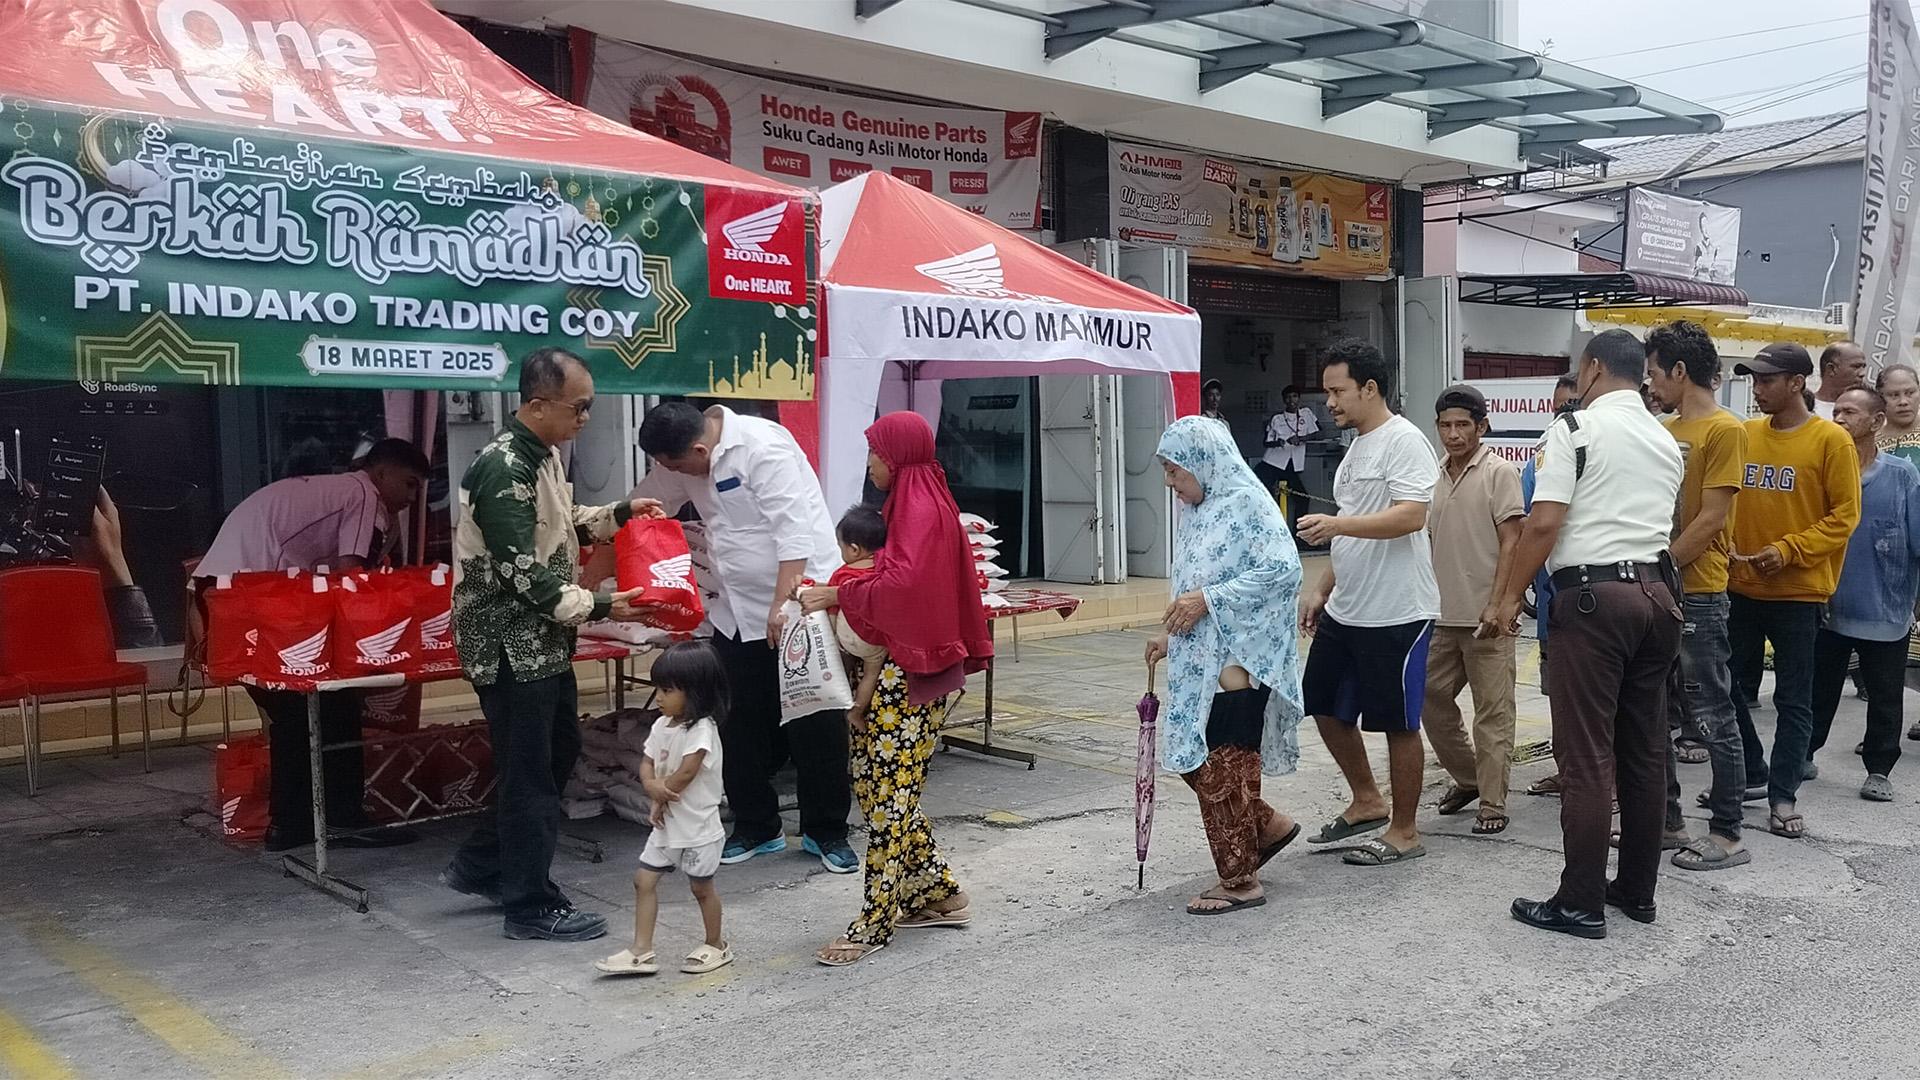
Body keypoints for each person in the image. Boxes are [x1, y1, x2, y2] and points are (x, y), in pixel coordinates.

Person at [442, 348, 658, 943]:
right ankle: (529, 905)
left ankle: (483, 864)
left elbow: (562, 522)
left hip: (542, 641)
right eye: (578, 408)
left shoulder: (542, 457)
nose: (585, 418)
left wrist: (619, 513)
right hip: (509, 645)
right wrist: (606, 606)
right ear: (538, 406)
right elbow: (520, 573)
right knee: (530, 774)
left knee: (557, 753)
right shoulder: (503, 468)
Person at [1490, 329, 1683, 939]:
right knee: (1644, 752)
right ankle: (1636, 891)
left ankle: (1578, 902)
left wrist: (1508, 596)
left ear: (1594, 369)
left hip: (1594, 601)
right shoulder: (1664, 438)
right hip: (1658, 598)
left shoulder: (1573, 429)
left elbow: (1544, 523)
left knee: (1586, 755)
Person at [635, 401, 855, 874]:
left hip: (797, 604)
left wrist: (782, 605)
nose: (677, 475)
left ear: (699, 449)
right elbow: (650, 502)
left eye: (679, 466)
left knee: (814, 718)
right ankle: (757, 825)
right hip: (734, 611)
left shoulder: (762, 448)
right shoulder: (682, 459)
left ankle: (826, 830)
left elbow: (794, 534)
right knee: (736, 719)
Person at [799, 412, 986, 965]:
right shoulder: (911, 504)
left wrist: (838, 595)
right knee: (877, 783)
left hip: (913, 674)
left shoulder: (918, 510)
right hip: (904, 669)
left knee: (888, 797)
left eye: (875, 454)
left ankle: (875, 923)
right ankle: (937, 893)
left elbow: (903, 589)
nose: (871, 465)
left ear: (896, 456)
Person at [195, 437, 431, 852]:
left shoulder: (334, 490)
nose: (413, 498)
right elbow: (351, 578)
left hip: (225, 594)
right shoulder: (363, 495)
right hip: (253, 596)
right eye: (409, 484)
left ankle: (296, 824)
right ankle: (337, 818)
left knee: (300, 712)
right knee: (326, 704)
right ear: (381, 473)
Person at [1143, 416, 1306, 915]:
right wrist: (1173, 633)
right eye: (1166, 471)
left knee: (1223, 767)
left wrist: (1207, 601)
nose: (1170, 482)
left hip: (1240, 662)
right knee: (1198, 758)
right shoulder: (1197, 511)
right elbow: (1198, 582)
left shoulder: (1247, 502)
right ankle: (1267, 827)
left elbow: (1283, 570)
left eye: (1175, 471)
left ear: (1203, 462)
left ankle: (1240, 881)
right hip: (1201, 661)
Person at [1296, 338, 1439, 867]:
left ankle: (1405, 830)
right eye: (1328, 392)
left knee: (1397, 722)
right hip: (1348, 608)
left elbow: (1411, 516)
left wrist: (1338, 525)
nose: (1329, 402)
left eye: (1338, 391)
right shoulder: (1356, 448)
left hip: (1397, 610)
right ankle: (1366, 800)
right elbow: (1352, 526)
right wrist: (1323, 588)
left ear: (1370, 388)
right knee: (1323, 703)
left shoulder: (1405, 441)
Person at [1726, 342, 1862, 841]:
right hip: (1740, 587)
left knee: (1793, 700)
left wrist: (1789, 550)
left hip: (1798, 593)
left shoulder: (1831, 441)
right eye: (1754, 380)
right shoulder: (1745, 434)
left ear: (1797, 383)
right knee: (1726, 688)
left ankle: (1783, 794)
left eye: (1766, 380)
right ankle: (1751, 771)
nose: (1757, 389)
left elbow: (1845, 517)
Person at [1645, 320, 1751, 872]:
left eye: (1655, 373)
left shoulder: (1725, 429)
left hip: (1700, 591)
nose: (1651, 384)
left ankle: (1728, 833)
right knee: (1654, 711)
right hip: (1659, 587)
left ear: (1680, 371)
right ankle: (1667, 822)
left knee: (1711, 713)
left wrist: (1659, 568)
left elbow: (1711, 519)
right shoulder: (1662, 427)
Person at [1421, 384, 1525, 836]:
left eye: (1463, 425)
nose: (1454, 434)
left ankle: (1492, 802)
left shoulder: (1500, 472)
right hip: (1440, 615)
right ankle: (1468, 778)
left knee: (1493, 713)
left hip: (1488, 617)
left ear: (1482, 426)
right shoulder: (1433, 475)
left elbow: (1513, 540)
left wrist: (1500, 603)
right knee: (1427, 697)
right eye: (1446, 425)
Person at [1807, 388, 1920, 802]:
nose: (1839, 418)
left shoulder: (1902, 476)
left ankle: (1879, 770)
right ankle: (1803, 754)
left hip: (1886, 607)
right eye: (1836, 411)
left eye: (1850, 412)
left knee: (1886, 695)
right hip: (1826, 604)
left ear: (1876, 422)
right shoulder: (1819, 471)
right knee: (1817, 690)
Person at [596, 641, 732, 977]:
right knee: (643, 880)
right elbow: (647, 761)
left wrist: (660, 790)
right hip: (667, 825)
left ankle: (716, 944)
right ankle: (641, 950)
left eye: (667, 690)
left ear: (696, 692)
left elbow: (687, 772)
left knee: (701, 888)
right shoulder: (660, 726)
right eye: (658, 688)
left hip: (698, 827)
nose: (658, 697)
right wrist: (651, 787)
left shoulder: (702, 730)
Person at [1522, 375, 1580, 799]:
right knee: (1558, 695)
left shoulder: (1605, 455)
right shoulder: (1538, 463)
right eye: (1560, 407)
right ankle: (1567, 771)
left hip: (1595, 604)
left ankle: (1608, 782)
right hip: (1552, 604)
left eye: (1573, 405)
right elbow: (1530, 526)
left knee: (1603, 701)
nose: (1565, 414)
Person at [828, 505, 890, 728]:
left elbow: (832, 606)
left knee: (840, 665)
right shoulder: (884, 571)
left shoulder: (842, 574)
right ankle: (856, 712)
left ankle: (839, 699)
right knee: (871, 674)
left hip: (846, 637)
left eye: (841, 547)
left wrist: (833, 637)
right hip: (873, 642)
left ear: (854, 549)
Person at [1256, 385, 1318, 537]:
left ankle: (1300, 537)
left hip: (1292, 465)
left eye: (1295, 396)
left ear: (1299, 398)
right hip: (1272, 463)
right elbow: (1266, 442)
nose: (1292, 400)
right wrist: (1282, 441)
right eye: (1288, 397)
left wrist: (1302, 438)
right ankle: (1266, 534)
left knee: (1303, 499)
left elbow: (1317, 432)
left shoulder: (1306, 414)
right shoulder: (1277, 419)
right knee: (1265, 497)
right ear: (1284, 400)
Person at [1811, 341, 1869, 420]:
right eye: (1856, 367)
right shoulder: (1803, 408)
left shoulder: (1866, 410)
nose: (1862, 373)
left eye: (1863, 367)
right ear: (1831, 369)